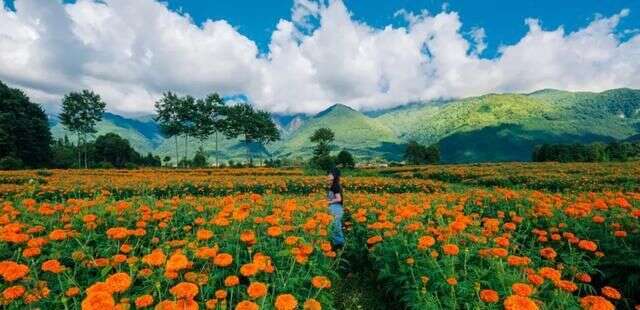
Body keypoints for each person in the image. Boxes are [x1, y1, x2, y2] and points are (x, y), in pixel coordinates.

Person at [327, 167, 345, 249]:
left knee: (336, 226)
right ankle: (337, 245)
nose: (328, 175)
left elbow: (339, 199)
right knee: (335, 226)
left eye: (330, 174)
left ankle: (339, 246)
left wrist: (329, 202)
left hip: (336, 208)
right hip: (334, 208)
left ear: (335, 175)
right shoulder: (333, 185)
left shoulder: (335, 186)